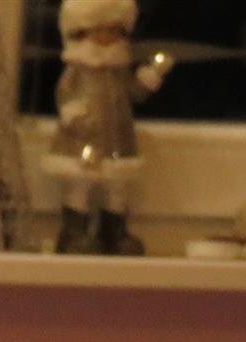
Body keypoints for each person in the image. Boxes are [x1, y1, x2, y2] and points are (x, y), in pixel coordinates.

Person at [43, 0, 173, 255]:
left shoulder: (119, 74)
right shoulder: (76, 72)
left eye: (114, 31)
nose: (108, 38)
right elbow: (65, 96)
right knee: (79, 187)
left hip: (117, 141)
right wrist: (74, 116)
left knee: (116, 188)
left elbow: (134, 93)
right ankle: (74, 233)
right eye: (100, 30)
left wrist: (151, 75)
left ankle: (114, 233)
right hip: (81, 141)